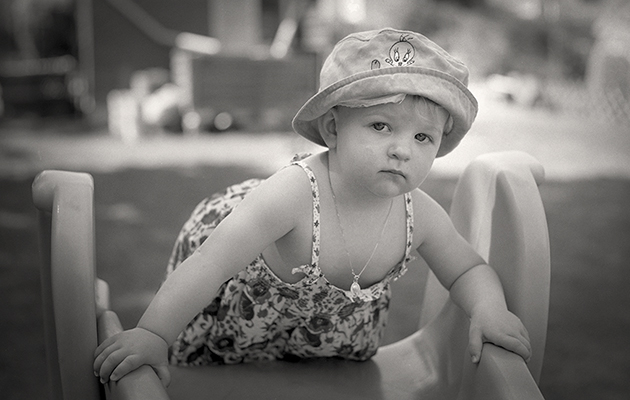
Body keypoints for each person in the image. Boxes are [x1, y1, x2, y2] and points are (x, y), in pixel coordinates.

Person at [94, 28, 531, 386]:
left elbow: (466, 269)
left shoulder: (419, 215)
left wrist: (488, 309)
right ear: (333, 129)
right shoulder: (295, 195)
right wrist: (153, 334)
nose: (402, 150)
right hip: (235, 328)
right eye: (381, 126)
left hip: (322, 355)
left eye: (423, 137)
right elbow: (211, 262)